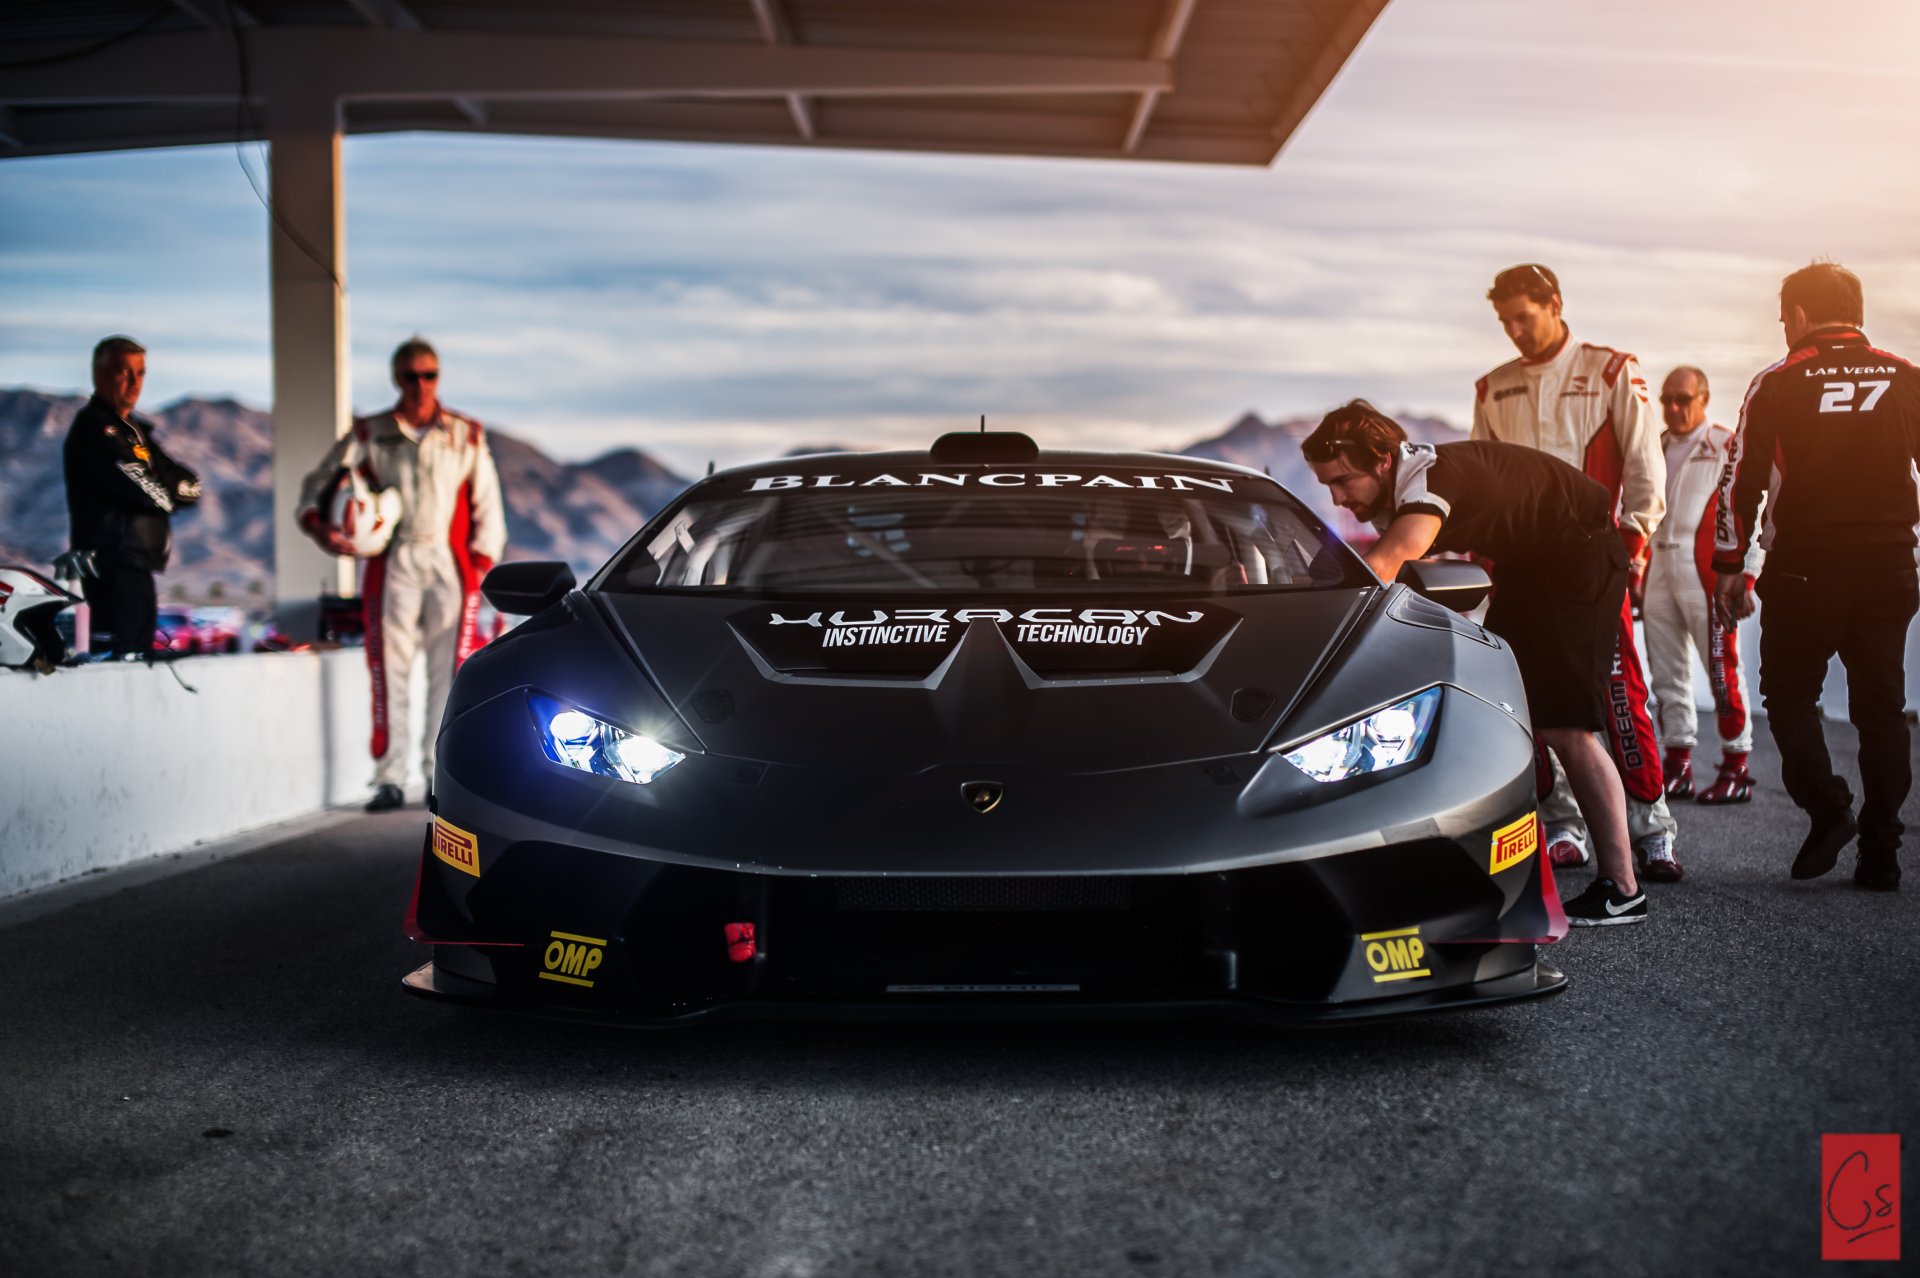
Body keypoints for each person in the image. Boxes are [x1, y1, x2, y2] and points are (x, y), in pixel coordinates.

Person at [1304, 401, 1646, 924]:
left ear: (1380, 461)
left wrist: (1306, 627)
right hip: (1532, 564)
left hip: (1582, 556)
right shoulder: (1401, 483)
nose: (1337, 497)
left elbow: (1392, 560)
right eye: (1328, 485)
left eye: (1343, 481)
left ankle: (1623, 889)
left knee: (1567, 727)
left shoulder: (1426, 479)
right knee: (1499, 703)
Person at [1713, 262, 1920, 892]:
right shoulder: (1907, 375)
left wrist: (1728, 566)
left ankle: (1831, 810)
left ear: (1800, 316)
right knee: (1882, 709)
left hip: (1807, 568)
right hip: (1890, 567)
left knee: (1789, 695)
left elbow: (1739, 481)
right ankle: (1882, 852)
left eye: (1783, 318)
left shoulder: (1777, 383)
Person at [1471, 263, 1680, 880]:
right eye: (1505, 321)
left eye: (1524, 317)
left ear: (1554, 304)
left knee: (1618, 688)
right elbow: (1484, 482)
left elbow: (1645, 463)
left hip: (1593, 562)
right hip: (1523, 566)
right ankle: (1563, 823)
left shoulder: (1611, 368)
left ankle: (1652, 827)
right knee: (1530, 697)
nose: (1515, 331)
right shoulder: (1492, 388)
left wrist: (1636, 539)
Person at [298, 337, 506, 812]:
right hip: (393, 563)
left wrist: (480, 564)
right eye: (411, 376)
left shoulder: (465, 433)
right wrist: (322, 529)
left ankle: (441, 777)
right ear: (396, 379)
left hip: (449, 566)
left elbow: (488, 506)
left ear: (438, 377)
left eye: (429, 375)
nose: (420, 385)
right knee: (388, 672)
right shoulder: (371, 431)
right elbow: (318, 485)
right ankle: (389, 778)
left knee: (450, 674)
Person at [1644, 366, 1760, 839]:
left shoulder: (1724, 442)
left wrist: (1748, 575)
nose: (1674, 408)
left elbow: (1748, 508)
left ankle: (1736, 767)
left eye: (1683, 399)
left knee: (1720, 668)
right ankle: (1679, 762)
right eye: (1667, 399)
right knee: (1666, 672)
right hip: (1658, 568)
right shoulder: (1655, 444)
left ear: (1704, 398)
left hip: (1705, 572)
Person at [62, 335, 202, 658]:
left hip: (137, 563)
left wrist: (161, 490)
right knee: (118, 656)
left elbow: (190, 483)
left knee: (139, 656)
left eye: (140, 373)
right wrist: (166, 496)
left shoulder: (134, 431)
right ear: (100, 375)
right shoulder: (95, 427)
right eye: (123, 372)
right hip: (111, 562)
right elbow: (135, 482)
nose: (134, 382)